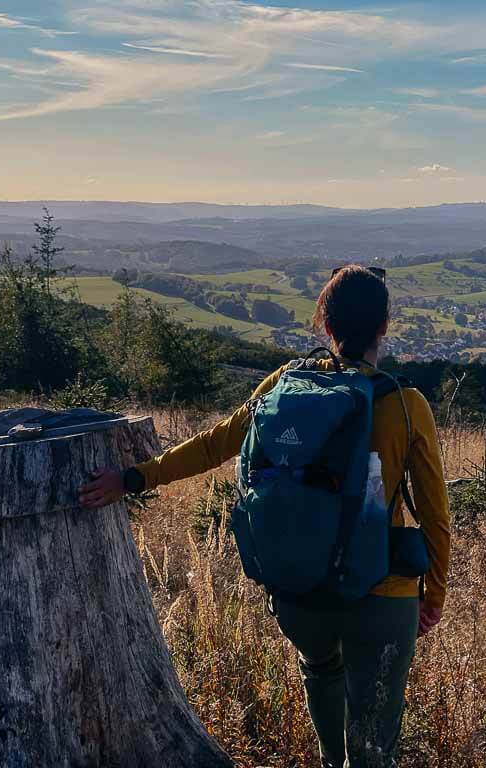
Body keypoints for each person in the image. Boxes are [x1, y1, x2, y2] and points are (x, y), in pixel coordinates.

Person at [80, 265, 451, 768]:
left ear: (326, 324)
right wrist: (434, 594)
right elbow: (434, 515)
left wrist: (133, 478)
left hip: (299, 591)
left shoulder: (286, 385)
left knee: (321, 670)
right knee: (375, 743)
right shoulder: (407, 404)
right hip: (380, 597)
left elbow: (216, 444)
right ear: (384, 326)